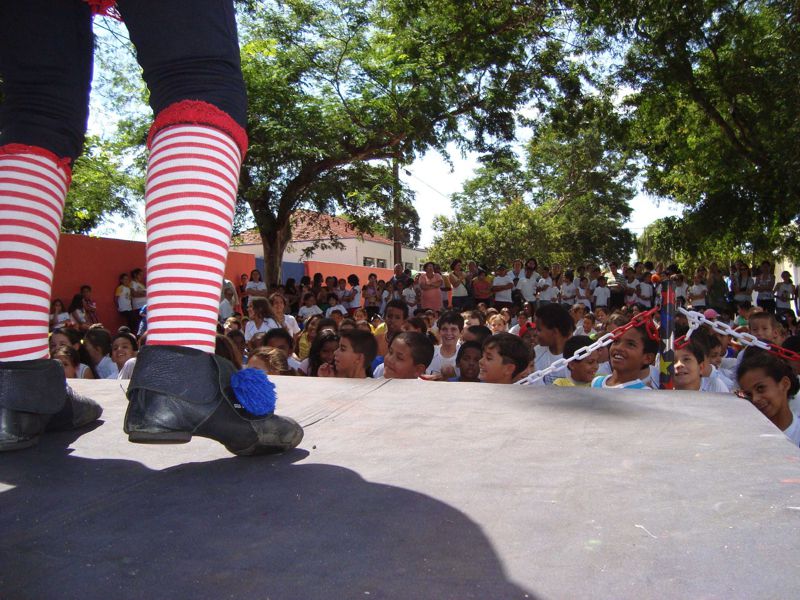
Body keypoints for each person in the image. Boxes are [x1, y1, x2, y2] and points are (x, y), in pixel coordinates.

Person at [736, 350, 800, 446]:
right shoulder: (743, 437)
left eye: (760, 388)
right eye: (748, 394)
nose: (755, 399)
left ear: (784, 384)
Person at [591, 324, 658, 389]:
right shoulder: (596, 382)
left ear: (647, 358)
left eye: (630, 344)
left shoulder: (644, 393)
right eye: (616, 341)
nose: (619, 348)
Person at [533, 303, 573, 378]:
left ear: (555, 331)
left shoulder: (577, 356)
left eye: (539, 329)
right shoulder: (536, 353)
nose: (535, 333)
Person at [427, 310, 463, 379]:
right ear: (439, 331)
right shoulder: (430, 352)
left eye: (453, 329)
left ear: (461, 332)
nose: (449, 333)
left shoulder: (464, 354)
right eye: (444, 329)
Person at [130, 268, 147, 332]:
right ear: (135, 275)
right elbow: (134, 294)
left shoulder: (141, 284)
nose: (141, 276)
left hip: (144, 306)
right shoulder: (132, 283)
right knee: (140, 323)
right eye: (140, 275)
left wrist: (141, 293)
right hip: (138, 306)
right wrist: (144, 294)